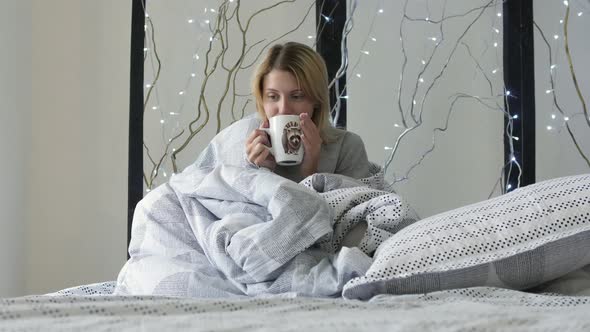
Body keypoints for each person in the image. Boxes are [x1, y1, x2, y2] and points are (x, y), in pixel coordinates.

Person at [245, 41, 372, 182]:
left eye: (297, 96)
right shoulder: (245, 140)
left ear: (317, 100)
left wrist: (310, 173)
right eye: (273, 97)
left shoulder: (346, 147)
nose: (284, 109)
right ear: (261, 100)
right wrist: (260, 173)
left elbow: (358, 203)